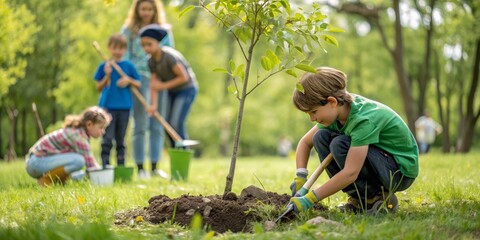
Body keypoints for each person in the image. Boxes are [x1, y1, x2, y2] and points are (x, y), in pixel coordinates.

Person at [288, 67, 418, 214]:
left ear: (332, 101)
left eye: (313, 112)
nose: (312, 119)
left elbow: (351, 172)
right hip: (380, 161)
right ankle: (359, 198)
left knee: (339, 144)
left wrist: (310, 198)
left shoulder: (363, 120)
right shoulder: (336, 112)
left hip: (398, 171)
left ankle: (377, 198)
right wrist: (300, 176)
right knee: (320, 137)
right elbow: (305, 143)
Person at [121, 0, 174, 179]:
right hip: (138, 79)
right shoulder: (129, 30)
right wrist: (130, 74)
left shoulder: (163, 30)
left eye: (150, 9)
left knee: (157, 122)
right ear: (137, 9)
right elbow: (124, 54)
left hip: (159, 78)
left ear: (155, 10)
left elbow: (169, 52)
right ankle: (140, 168)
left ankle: (154, 166)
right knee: (140, 123)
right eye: (143, 8)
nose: (146, 12)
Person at [139, 25, 198, 151]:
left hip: (186, 89)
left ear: (158, 43)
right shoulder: (151, 61)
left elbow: (184, 77)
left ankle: (183, 152)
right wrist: (153, 105)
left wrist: (163, 86)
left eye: (149, 44)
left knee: (176, 123)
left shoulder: (169, 56)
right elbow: (154, 85)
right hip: (172, 91)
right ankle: (175, 153)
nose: (146, 48)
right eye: (143, 45)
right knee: (167, 125)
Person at [25, 106, 110, 186]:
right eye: (101, 128)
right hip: (35, 162)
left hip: (38, 162)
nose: (103, 132)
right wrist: (106, 175)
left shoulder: (79, 132)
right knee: (79, 161)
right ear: (89, 124)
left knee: (79, 174)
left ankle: (57, 181)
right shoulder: (79, 136)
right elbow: (91, 166)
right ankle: (46, 180)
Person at [94, 34, 141, 168]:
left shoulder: (128, 66)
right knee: (107, 138)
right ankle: (106, 165)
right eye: (114, 48)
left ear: (125, 50)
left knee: (120, 139)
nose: (117, 51)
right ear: (109, 48)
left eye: (121, 48)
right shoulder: (104, 66)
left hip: (124, 108)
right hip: (107, 108)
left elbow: (138, 83)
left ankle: (121, 166)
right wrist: (107, 75)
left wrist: (128, 80)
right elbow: (99, 87)